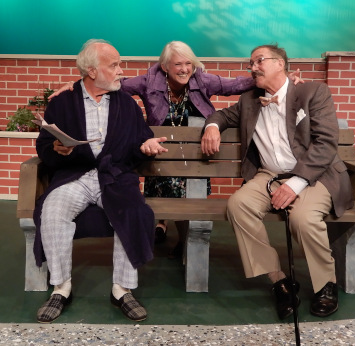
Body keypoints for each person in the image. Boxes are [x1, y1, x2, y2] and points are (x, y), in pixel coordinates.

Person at [51, 41, 301, 259]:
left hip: (193, 152)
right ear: (165, 67)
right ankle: (162, 225)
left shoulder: (201, 79)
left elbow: (234, 85)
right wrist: (75, 87)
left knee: (187, 186)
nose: (184, 69)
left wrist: (283, 82)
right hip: (161, 150)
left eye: (188, 63)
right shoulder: (150, 80)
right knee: (168, 183)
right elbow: (113, 83)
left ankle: (182, 238)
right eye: (178, 64)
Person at [201, 44, 353, 319]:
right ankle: (280, 281)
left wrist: (295, 184)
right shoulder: (249, 100)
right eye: (250, 63)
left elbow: (326, 143)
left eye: (259, 61)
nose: (252, 67)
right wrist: (212, 126)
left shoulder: (313, 93)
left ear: (280, 63)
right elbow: (222, 115)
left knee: (303, 218)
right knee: (238, 205)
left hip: (313, 174)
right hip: (268, 175)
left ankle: (326, 285)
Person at [33, 39, 167, 323]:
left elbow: (139, 138)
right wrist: (57, 150)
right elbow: (44, 147)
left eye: (120, 64)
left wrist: (146, 145)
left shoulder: (127, 104)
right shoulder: (62, 102)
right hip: (74, 176)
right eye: (114, 65)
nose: (122, 71)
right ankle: (61, 288)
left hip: (114, 176)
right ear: (92, 71)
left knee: (133, 211)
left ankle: (122, 289)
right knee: (53, 210)